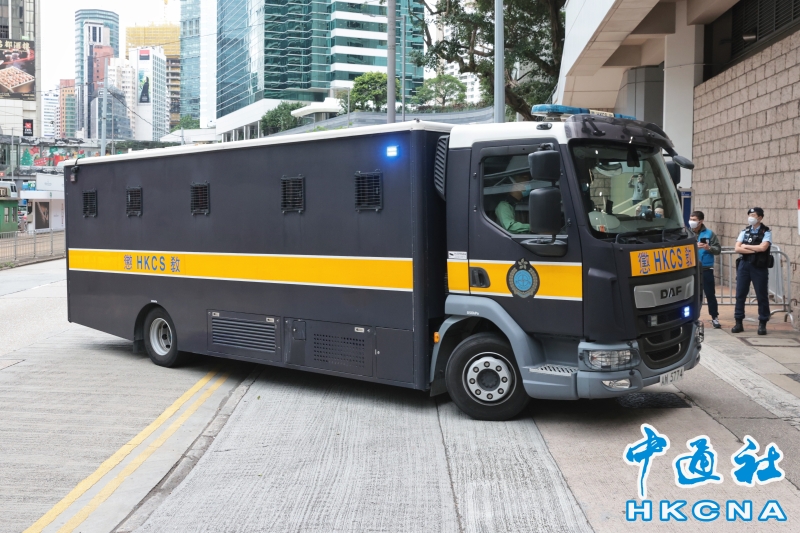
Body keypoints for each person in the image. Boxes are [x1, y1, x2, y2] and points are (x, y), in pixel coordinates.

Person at [732, 207, 772, 335]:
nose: (751, 217)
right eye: (749, 215)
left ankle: (763, 323)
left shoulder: (766, 231)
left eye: (753, 215)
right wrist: (754, 250)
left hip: (759, 266)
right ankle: (738, 322)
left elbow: (763, 248)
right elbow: (737, 249)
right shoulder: (745, 231)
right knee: (740, 294)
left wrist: (746, 246)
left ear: (760, 217)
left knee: (761, 295)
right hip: (744, 264)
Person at [689, 211, 721, 328]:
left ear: (700, 221)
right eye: (691, 219)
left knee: (710, 294)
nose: (691, 222)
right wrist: (693, 247)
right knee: (693, 296)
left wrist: (709, 248)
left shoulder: (709, 234)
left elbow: (718, 249)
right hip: (691, 269)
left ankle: (714, 317)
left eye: (694, 220)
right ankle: (693, 319)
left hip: (706, 268)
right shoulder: (686, 233)